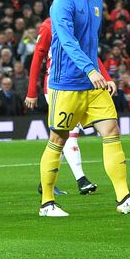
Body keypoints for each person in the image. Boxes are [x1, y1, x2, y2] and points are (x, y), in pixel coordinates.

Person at [36, 0, 130, 217]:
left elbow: (90, 47)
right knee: (58, 138)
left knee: (111, 129)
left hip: (92, 84)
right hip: (66, 83)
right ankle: (47, 202)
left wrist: (104, 75)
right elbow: (66, 42)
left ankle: (124, 197)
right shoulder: (62, 2)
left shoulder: (97, 2)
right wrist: (91, 71)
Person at [25, 16, 98, 195]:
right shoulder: (49, 25)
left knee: (61, 137)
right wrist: (31, 92)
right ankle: (81, 180)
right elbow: (37, 57)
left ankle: (45, 181)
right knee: (69, 133)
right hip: (56, 86)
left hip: (78, 85)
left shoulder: (81, 23)